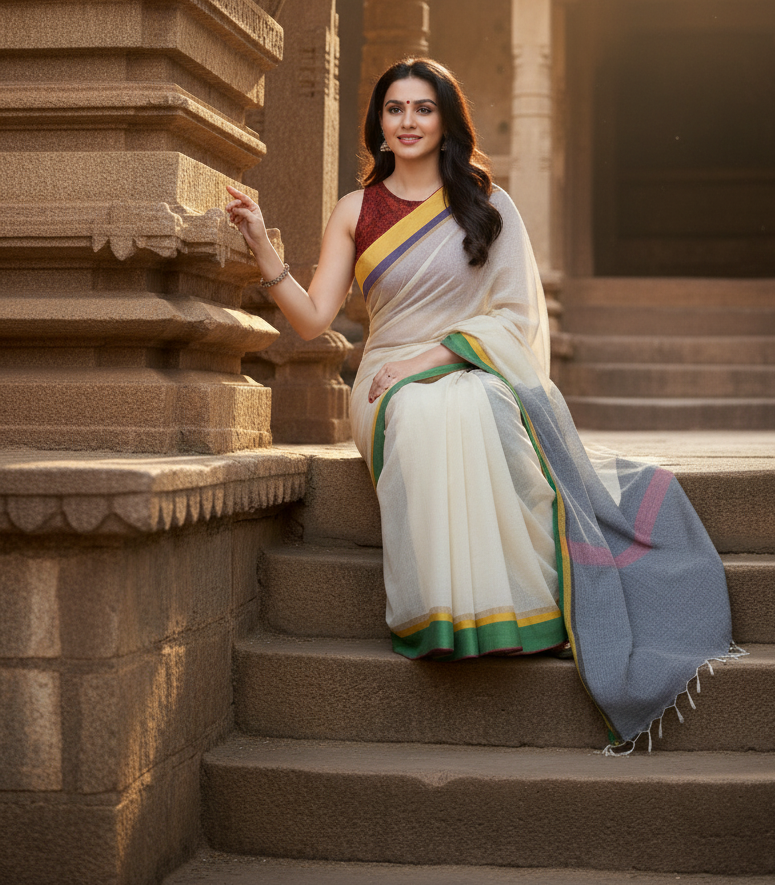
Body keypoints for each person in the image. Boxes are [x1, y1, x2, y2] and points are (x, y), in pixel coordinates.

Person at [225, 57, 739, 754]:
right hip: (386, 383)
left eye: (422, 109)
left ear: (445, 122)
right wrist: (262, 248)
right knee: (422, 414)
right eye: (394, 109)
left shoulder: (486, 204)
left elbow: (512, 316)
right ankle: (444, 620)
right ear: (378, 124)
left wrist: (433, 358)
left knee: (486, 407)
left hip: (467, 361)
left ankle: (521, 614)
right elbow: (315, 319)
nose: (407, 122)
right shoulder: (355, 210)